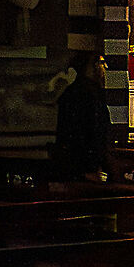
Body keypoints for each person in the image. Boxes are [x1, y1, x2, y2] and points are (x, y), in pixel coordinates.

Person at [51, 50, 112, 180]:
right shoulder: (89, 93)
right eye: (101, 63)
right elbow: (94, 129)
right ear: (93, 66)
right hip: (85, 161)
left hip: (76, 160)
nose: (105, 68)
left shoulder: (73, 91)